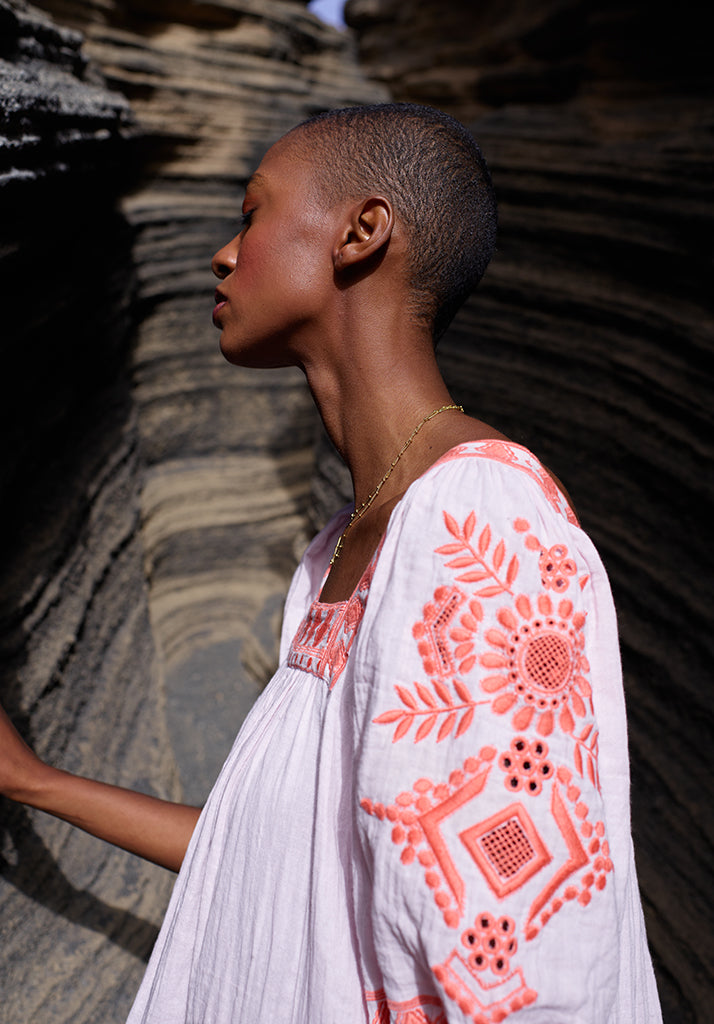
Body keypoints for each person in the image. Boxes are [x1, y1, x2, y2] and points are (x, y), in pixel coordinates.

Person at [0, 104, 662, 1022]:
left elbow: (527, 948)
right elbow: (279, 858)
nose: (223, 255)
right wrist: (35, 783)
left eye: (252, 213)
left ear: (361, 233)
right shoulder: (338, 551)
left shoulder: (481, 519)